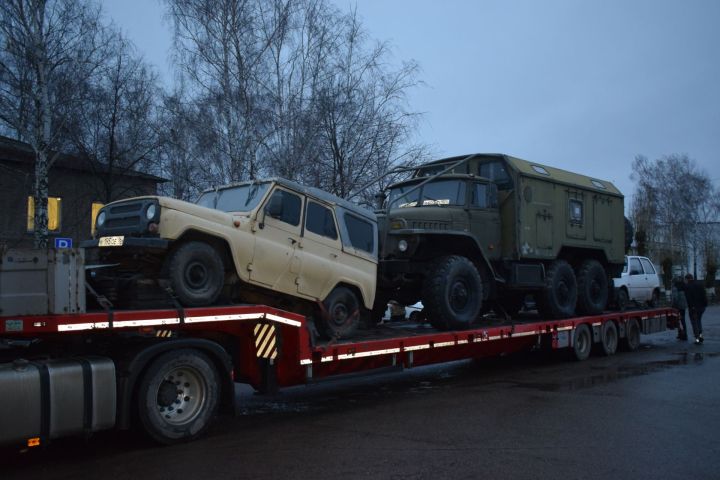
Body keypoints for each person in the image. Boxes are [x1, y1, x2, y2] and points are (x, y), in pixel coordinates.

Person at [684, 274, 708, 344]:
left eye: (685, 280)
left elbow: (689, 299)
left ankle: (697, 339)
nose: (685, 281)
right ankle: (700, 337)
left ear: (687, 279)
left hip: (693, 308)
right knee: (699, 322)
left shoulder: (688, 286)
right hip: (702, 307)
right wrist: (705, 304)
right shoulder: (700, 284)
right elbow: (704, 295)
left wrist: (691, 307)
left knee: (694, 323)